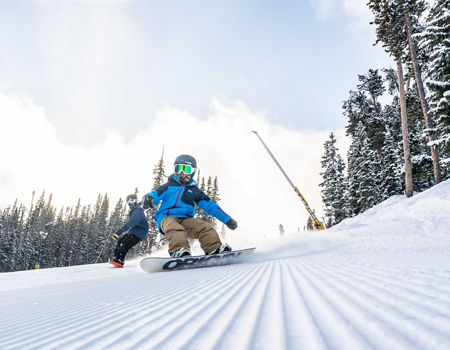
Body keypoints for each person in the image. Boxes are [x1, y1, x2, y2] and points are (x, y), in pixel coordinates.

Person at [142, 154, 238, 257]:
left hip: (186, 220)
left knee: (203, 226)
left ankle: (214, 248)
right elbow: (155, 194)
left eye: (186, 169)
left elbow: (211, 206)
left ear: (193, 172)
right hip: (166, 217)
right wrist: (148, 199)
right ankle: (178, 250)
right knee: (173, 226)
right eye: (178, 169)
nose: (182, 173)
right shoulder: (168, 186)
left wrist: (227, 219)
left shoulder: (194, 191)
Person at [110, 194, 149, 267]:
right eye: (128, 203)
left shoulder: (138, 211)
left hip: (139, 233)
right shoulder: (134, 210)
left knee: (124, 243)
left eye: (130, 203)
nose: (129, 205)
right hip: (134, 231)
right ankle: (116, 258)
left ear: (135, 202)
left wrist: (120, 231)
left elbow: (131, 223)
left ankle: (120, 260)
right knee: (120, 241)